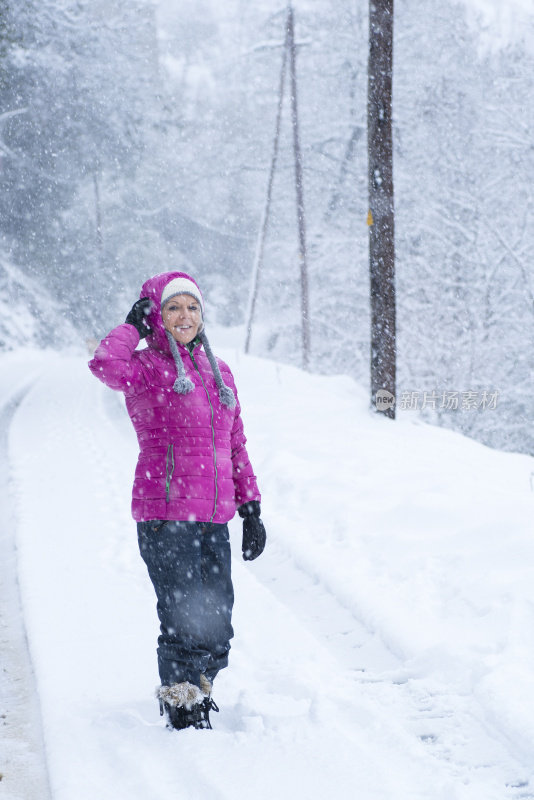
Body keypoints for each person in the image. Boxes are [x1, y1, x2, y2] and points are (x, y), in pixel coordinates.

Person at [88, 271, 266, 730]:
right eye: (172, 308)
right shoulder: (146, 368)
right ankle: (183, 706)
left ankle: (199, 690)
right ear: (157, 317)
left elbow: (236, 444)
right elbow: (105, 364)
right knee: (182, 618)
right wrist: (132, 326)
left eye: (192, 307)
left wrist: (250, 508)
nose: (184, 316)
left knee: (216, 622)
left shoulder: (218, 371)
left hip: (212, 518)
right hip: (165, 514)